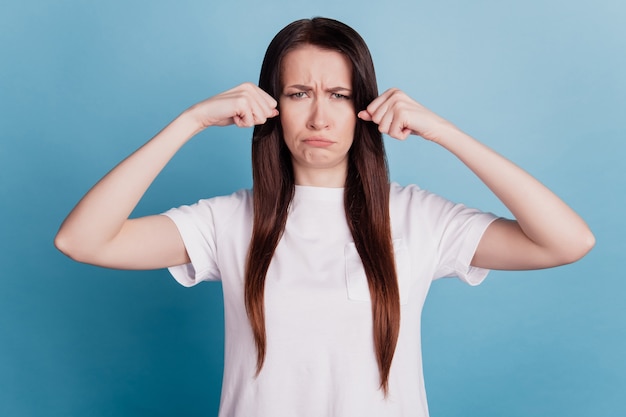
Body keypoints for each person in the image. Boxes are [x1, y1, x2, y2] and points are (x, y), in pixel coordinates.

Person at [55, 17, 594, 417]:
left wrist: (444, 131)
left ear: (364, 107)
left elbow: (566, 242)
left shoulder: (418, 217)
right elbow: (82, 241)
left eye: (339, 94)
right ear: (272, 105)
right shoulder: (228, 222)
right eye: (298, 93)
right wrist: (190, 120)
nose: (319, 116)